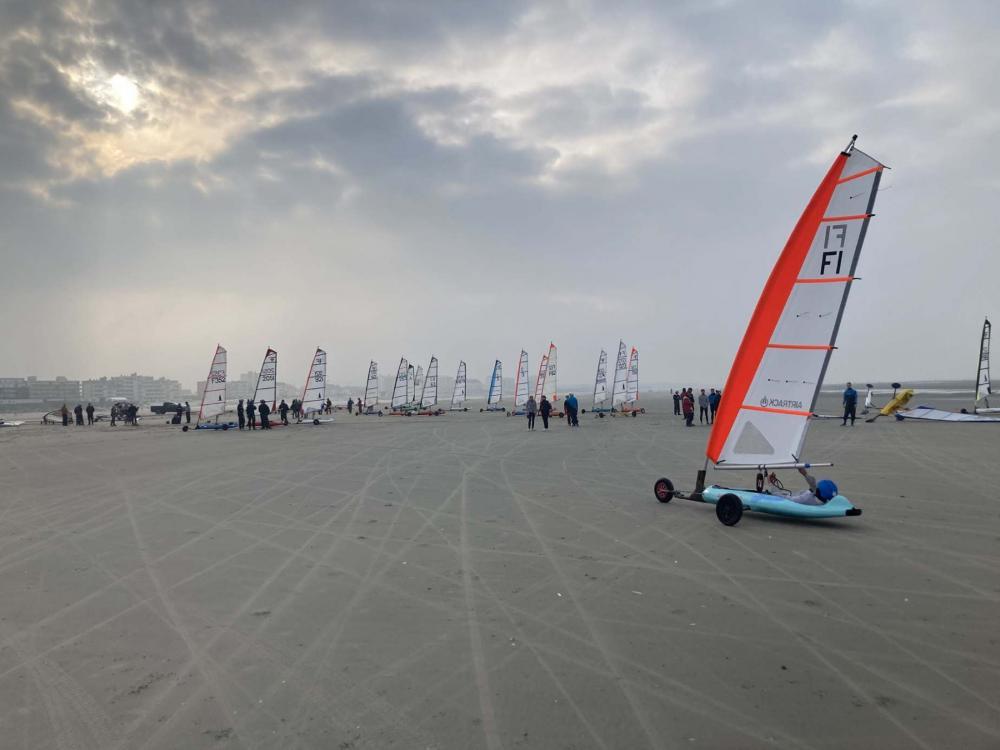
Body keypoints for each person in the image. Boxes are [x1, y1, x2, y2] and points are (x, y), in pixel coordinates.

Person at [767, 467, 838, 506]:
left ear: (818, 491)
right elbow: (813, 483)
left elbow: (782, 498)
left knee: (778, 493)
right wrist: (805, 474)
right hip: (795, 495)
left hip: (790, 497)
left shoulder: (806, 498)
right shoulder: (823, 499)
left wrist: (771, 483)